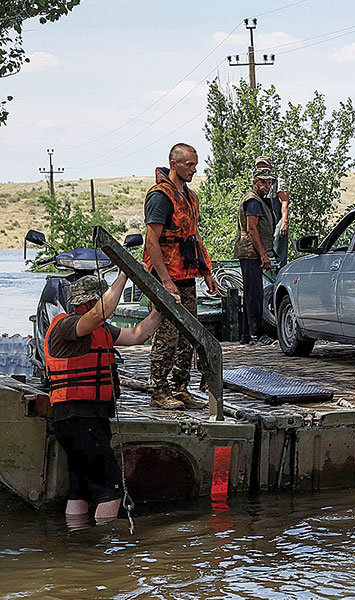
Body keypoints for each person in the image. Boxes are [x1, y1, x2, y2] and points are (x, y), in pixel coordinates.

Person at [44, 274, 163, 526]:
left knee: (80, 489)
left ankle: (76, 535)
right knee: (112, 489)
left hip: (84, 420)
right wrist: (124, 275)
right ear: (88, 303)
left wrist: (160, 310)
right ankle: (105, 541)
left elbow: (137, 335)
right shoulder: (67, 326)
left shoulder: (100, 329)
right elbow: (100, 314)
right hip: (79, 420)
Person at [143, 143, 218, 410]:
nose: (194, 170)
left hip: (186, 274)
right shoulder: (160, 197)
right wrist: (165, 281)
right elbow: (152, 242)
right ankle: (158, 390)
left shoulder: (190, 196)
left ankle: (180, 387)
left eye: (195, 164)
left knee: (188, 334)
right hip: (163, 276)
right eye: (189, 165)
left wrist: (207, 272)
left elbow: (194, 236)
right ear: (174, 165)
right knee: (167, 335)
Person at [234, 167, 276, 345]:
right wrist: (263, 254)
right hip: (251, 253)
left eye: (269, 183)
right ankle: (256, 335)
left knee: (251, 293)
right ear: (255, 183)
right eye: (263, 182)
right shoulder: (253, 201)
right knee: (255, 295)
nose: (267, 186)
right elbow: (252, 229)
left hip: (252, 252)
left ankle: (247, 335)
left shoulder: (258, 200)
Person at [254, 155, 291, 268]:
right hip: (264, 223)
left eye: (264, 166)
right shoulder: (257, 184)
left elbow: (284, 202)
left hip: (277, 222)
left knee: (278, 249)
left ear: (270, 167)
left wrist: (284, 222)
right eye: (259, 167)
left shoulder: (278, 182)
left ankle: (279, 272)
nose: (261, 169)